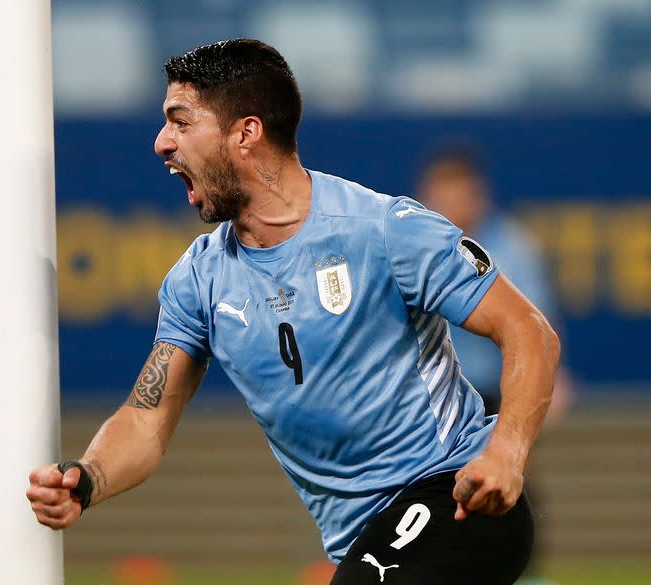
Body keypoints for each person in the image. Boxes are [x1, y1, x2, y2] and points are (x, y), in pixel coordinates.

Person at [27, 39, 560, 585]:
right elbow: (145, 419)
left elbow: (529, 331)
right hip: (367, 540)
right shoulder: (200, 280)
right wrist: (87, 479)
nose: (162, 143)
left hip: (454, 498)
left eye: (180, 122)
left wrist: (506, 454)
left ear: (245, 133)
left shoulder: (384, 229)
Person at [417, 145, 572, 585]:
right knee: (432, 489)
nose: (449, 203)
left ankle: (525, 573)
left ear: (478, 194)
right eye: (440, 193)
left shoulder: (513, 246)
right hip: (433, 394)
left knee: (512, 475)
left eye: (458, 192)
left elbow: (537, 323)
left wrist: (554, 380)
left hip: (497, 387)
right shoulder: (413, 244)